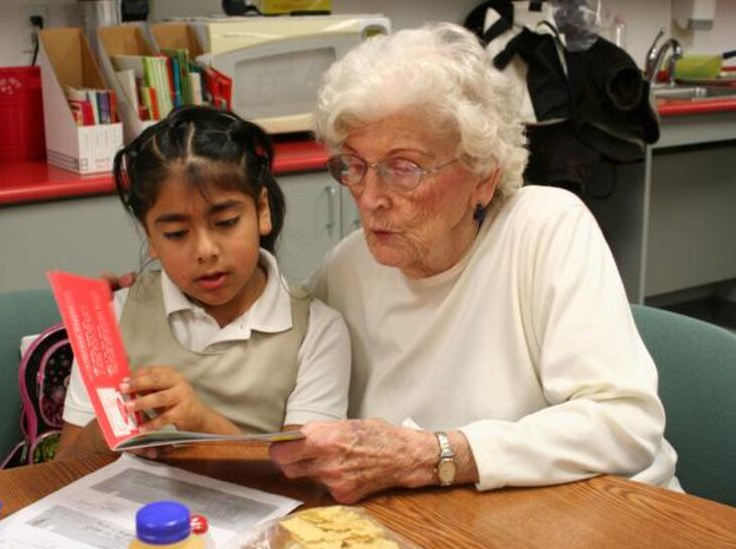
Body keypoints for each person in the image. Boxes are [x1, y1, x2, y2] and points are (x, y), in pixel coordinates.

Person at [267, 22, 682, 503]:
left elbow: (626, 424)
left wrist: (434, 455)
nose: (371, 197)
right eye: (354, 166)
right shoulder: (349, 266)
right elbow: (278, 376)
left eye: (403, 168)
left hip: (611, 512)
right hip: (455, 521)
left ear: (483, 176)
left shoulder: (545, 228)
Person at [56, 105, 351, 459]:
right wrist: (111, 422)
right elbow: (64, 467)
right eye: (177, 233)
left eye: (225, 222)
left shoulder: (317, 330)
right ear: (150, 237)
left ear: (261, 210)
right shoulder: (112, 316)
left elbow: (307, 475)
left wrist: (200, 422)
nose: (205, 251)